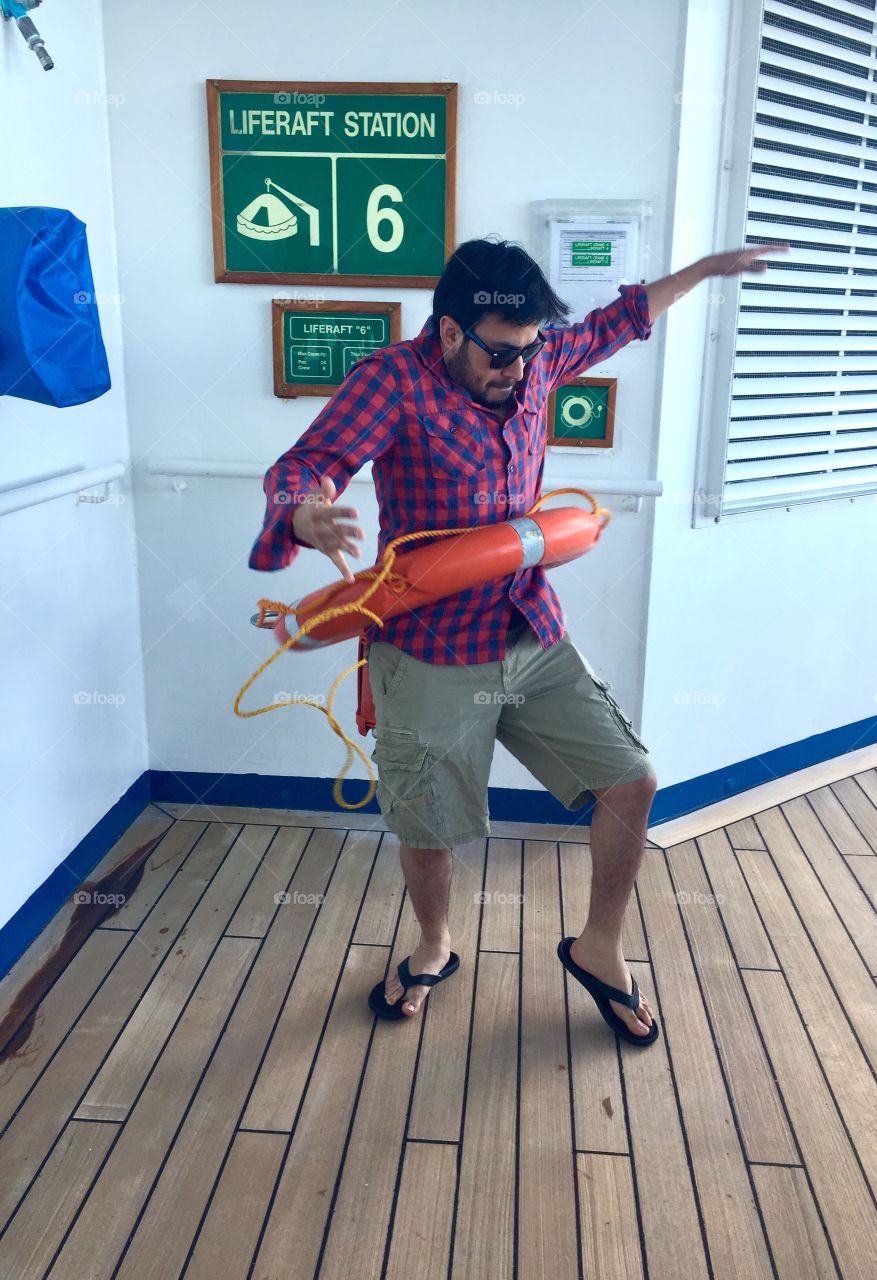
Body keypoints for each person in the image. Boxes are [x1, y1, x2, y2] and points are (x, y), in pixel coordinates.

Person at [250, 235, 788, 1046]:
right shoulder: (394, 381)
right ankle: (435, 944)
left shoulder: (532, 358)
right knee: (430, 824)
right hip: (428, 647)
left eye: (531, 351)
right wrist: (302, 512)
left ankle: (598, 947)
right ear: (452, 332)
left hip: (528, 628)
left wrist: (706, 270)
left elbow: (623, 319)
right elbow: (307, 461)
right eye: (502, 352)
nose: (519, 369)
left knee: (631, 779)